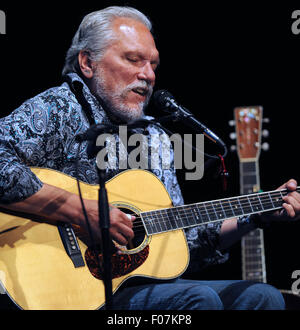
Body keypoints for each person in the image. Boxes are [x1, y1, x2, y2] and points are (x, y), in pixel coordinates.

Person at [0, 6, 299, 310]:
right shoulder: (58, 108)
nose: (148, 75)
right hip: (64, 289)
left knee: (262, 296)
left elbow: (183, 244)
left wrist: (257, 215)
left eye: (153, 64)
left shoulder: (153, 136)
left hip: (137, 285)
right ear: (88, 63)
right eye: (133, 60)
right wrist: (80, 211)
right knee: (199, 300)